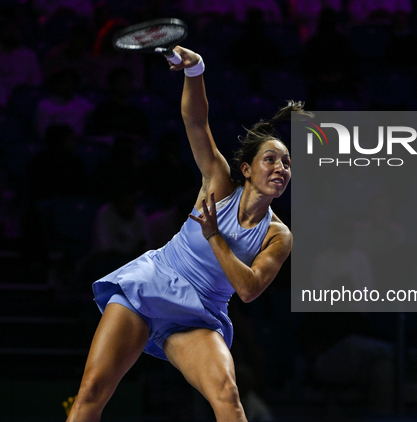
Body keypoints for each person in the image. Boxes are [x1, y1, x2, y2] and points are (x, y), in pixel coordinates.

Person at [66, 45, 305, 422]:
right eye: (271, 159)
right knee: (92, 391)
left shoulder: (278, 235)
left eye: (287, 162)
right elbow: (197, 124)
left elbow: (247, 289)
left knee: (228, 396)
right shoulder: (218, 183)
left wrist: (214, 236)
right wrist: (196, 71)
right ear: (245, 169)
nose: (281, 166)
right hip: (150, 283)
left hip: (200, 314)